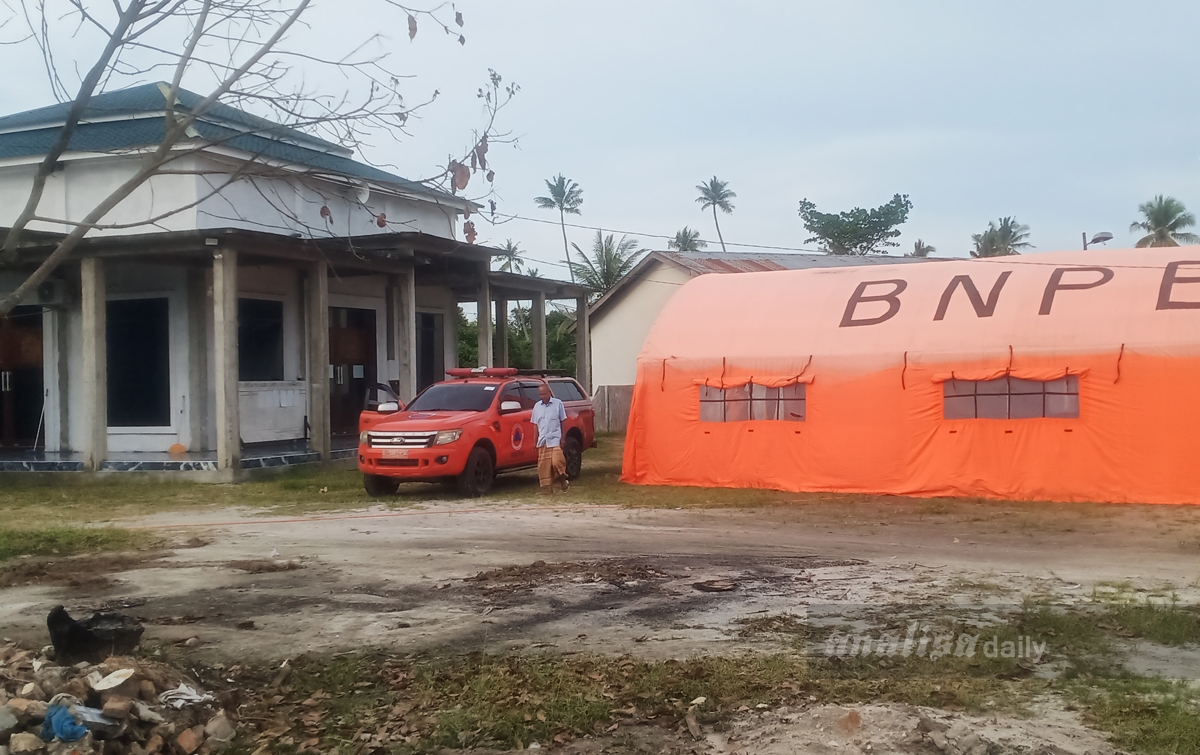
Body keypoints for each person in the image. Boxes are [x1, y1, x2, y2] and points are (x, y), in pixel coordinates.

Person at [530, 382, 569, 492]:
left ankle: (562, 479)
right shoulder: (537, 406)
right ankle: (549, 489)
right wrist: (534, 442)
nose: (542, 396)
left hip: (555, 438)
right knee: (545, 466)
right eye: (540, 394)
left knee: (557, 462)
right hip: (543, 440)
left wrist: (563, 437)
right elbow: (535, 425)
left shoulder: (558, 404)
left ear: (549, 393)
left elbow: (563, 421)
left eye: (544, 394)